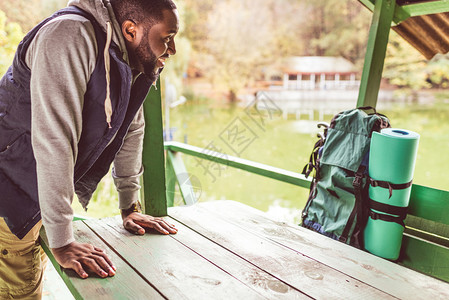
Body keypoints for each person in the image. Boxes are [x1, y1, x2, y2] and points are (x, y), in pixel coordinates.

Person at [0, 0, 179, 298]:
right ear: (131, 30)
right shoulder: (68, 35)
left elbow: (130, 127)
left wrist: (130, 207)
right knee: (19, 291)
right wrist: (62, 241)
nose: (171, 50)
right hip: (8, 195)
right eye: (167, 38)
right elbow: (54, 139)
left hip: (37, 193)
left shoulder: (125, 55)